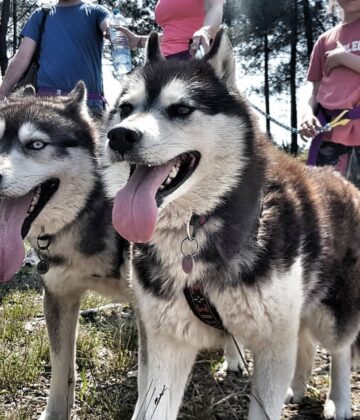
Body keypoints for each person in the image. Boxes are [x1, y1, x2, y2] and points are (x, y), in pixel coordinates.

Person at [0, 0, 110, 114]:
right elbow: (21, 59)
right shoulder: (41, 14)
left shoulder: (97, 11)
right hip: (46, 105)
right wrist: (2, 93)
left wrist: (115, 32)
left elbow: (109, 26)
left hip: (89, 106)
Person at [299, 0, 360, 178]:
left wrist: (344, 58)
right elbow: (315, 94)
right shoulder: (324, 40)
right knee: (327, 201)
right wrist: (307, 114)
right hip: (329, 136)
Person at [118, 0, 224, 60]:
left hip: (193, 57)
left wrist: (206, 31)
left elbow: (217, 6)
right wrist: (139, 40)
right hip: (160, 61)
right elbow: (172, 35)